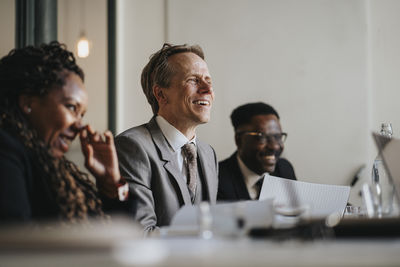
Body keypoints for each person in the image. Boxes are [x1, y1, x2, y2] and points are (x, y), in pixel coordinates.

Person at [0, 42, 125, 223]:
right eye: (71, 107)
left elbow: (119, 236)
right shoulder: (6, 152)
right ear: (28, 103)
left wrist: (111, 183)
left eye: (81, 114)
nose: (80, 126)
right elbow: (17, 244)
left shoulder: (54, 166)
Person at [115, 43, 218, 232]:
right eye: (193, 80)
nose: (207, 90)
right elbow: (141, 234)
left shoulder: (208, 153)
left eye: (208, 81)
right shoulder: (132, 146)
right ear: (161, 94)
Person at [218, 102, 296, 201]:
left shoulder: (284, 169)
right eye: (262, 137)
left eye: (278, 137)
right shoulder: (217, 179)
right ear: (239, 140)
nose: (274, 146)